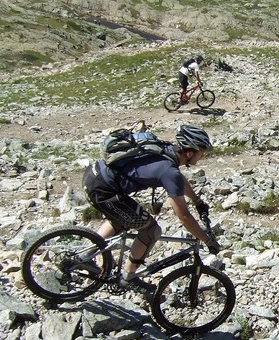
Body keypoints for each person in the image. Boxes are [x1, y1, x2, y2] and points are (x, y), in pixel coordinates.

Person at [82, 123, 220, 287]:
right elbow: (183, 216)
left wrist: (197, 201)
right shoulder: (170, 171)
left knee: (122, 218)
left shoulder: (166, 150)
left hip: (94, 176)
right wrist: (206, 240)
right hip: (104, 190)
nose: (202, 156)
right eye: (201, 153)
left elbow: (179, 181)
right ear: (190, 153)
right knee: (151, 230)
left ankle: (84, 257)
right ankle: (128, 277)